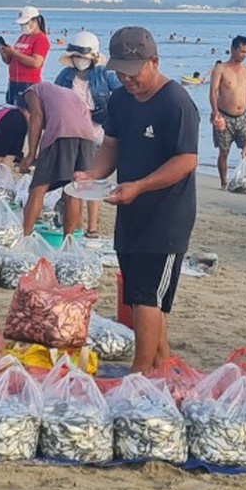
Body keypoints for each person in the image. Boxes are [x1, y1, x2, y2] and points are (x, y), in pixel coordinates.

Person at [75, 26, 199, 374]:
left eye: (133, 72)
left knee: (148, 296)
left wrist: (140, 186)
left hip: (167, 214)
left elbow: (186, 160)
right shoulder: (120, 100)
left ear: (154, 62)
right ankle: (160, 363)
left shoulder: (176, 103)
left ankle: (140, 371)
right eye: (120, 73)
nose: (127, 80)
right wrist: (92, 176)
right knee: (136, 292)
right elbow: (111, 146)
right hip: (129, 209)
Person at [53, 31, 121, 237]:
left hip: (96, 134)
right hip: (71, 134)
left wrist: (107, 112)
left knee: (91, 181)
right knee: (73, 181)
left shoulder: (104, 75)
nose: (80, 61)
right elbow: (55, 99)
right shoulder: (65, 76)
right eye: (76, 57)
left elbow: (121, 95)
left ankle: (92, 227)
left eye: (83, 57)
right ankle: (76, 225)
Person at [17, 81, 96, 237]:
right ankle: (69, 241)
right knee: (72, 190)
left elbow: (37, 117)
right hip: (87, 135)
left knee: (38, 188)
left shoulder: (31, 91)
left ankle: (24, 237)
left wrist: (31, 154)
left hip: (62, 132)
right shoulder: (63, 93)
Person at [208, 36, 246, 189]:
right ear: (233, 49)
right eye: (241, 51)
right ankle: (223, 182)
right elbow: (213, 92)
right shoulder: (221, 68)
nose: (244, 55)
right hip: (224, 116)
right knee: (224, 152)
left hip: (243, 117)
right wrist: (215, 113)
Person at [0, 6, 51, 106]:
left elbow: (36, 63)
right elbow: (10, 61)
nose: (23, 26)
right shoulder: (22, 37)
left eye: (25, 23)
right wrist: (4, 52)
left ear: (35, 21)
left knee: (25, 113)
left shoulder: (41, 39)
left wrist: (14, 53)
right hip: (13, 82)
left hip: (28, 83)